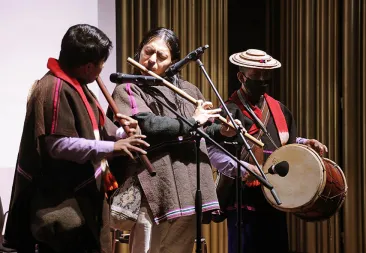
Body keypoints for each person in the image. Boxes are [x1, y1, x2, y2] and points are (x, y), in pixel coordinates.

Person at [2, 24, 149, 253]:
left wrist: (122, 133)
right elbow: (58, 145)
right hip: (61, 206)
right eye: (101, 63)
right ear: (88, 66)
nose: (102, 69)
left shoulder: (77, 83)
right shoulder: (54, 88)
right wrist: (114, 147)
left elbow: (98, 126)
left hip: (83, 201)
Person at [109, 27, 238, 253]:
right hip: (154, 187)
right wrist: (194, 121)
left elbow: (200, 129)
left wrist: (222, 131)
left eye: (161, 56)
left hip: (190, 185)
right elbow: (147, 126)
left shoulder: (189, 90)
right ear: (139, 51)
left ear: (174, 62)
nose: (151, 60)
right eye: (148, 52)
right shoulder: (127, 88)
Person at [207, 49, 328, 253]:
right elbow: (212, 151)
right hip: (244, 197)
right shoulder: (229, 111)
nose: (262, 80)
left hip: (276, 195)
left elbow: (284, 143)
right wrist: (244, 169)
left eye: (266, 75)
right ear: (241, 77)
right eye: (256, 75)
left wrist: (305, 143)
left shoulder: (279, 109)